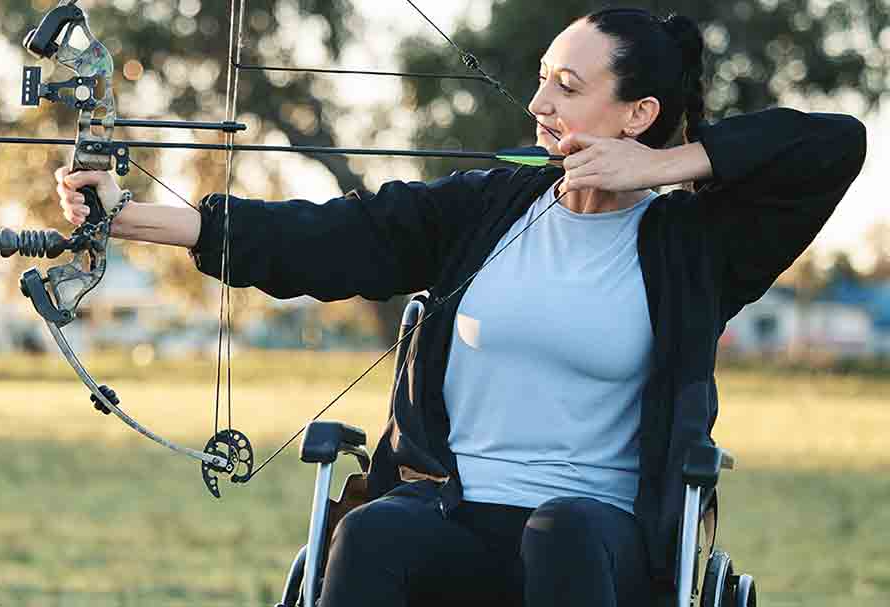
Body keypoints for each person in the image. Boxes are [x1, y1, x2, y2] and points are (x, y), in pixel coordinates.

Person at [53, 7, 867, 607]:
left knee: (564, 535)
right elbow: (328, 235)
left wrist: (662, 169)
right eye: (544, 77)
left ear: (638, 114)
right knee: (372, 533)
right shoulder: (486, 208)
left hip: (598, 539)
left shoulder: (697, 245)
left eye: (569, 86)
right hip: (452, 507)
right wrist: (123, 214)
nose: (539, 103)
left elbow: (835, 143)